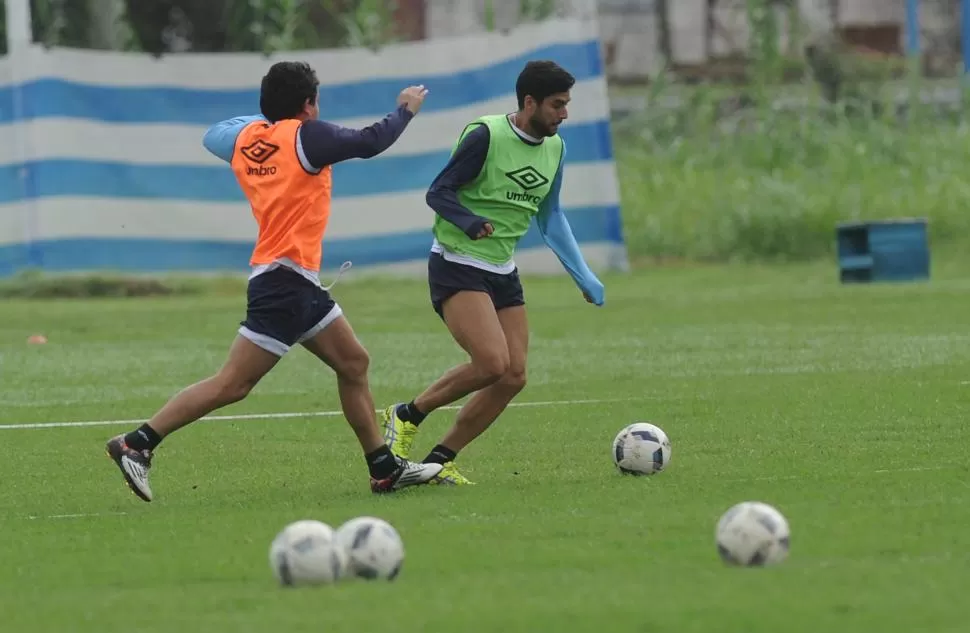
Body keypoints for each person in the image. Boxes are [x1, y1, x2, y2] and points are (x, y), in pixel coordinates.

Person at [105, 61, 443, 502]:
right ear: (308, 104)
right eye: (315, 101)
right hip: (284, 282)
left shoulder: (246, 140)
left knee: (353, 363)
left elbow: (214, 134)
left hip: (293, 280)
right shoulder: (307, 135)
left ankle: (384, 469)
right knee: (233, 384)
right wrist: (405, 110)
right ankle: (137, 443)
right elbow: (370, 141)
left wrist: (265, 116)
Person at [380, 60, 605, 485]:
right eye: (557, 105)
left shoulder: (555, 148)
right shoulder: (486, 135)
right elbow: (438, 191)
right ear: (529, 102)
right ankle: (406, 415)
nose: (564, 114)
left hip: (502, 269)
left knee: (514, 375)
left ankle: (441, 459)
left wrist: (583, 275)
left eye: (567, 104)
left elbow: (551, 215)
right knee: (490, 363)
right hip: (456, 263)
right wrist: (468, 221)